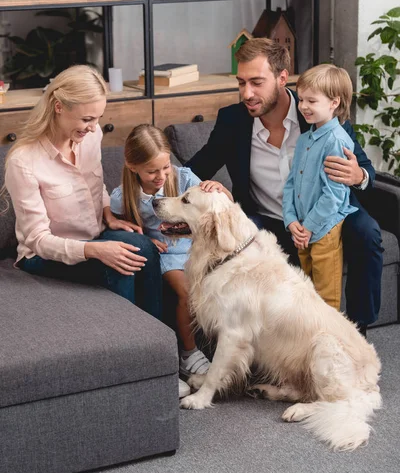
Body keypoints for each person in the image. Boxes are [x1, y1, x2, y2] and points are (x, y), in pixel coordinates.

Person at [186, 38, 383, 336]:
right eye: (241, 83)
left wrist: (358, 176)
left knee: (367, 233)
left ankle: (357, 330)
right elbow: (194, 170)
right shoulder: (233, 120)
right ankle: (248, 341)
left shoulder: (318, 113)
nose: (246, 93)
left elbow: (367, 172)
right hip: (267, 219)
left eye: (256, 82)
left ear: (282, 78)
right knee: (237, 241)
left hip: (328, 215)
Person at [2, 65, 162, 322]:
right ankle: (129, 346)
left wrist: (108, 215)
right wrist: (95, 251)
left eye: (97, 118)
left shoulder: (91, 136)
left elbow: (96, 185)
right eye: (87, 119)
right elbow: (38, 240)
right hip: (45, 254)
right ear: (59, 107)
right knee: (119, 265)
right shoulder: (24, 161)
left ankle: (162, 340)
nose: (93, 127)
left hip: (96, 235)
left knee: (142, 247)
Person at [109, 124, 232, 396]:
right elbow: (114, 223)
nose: (161, 176)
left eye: (165, 167)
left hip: (193, 247)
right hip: (166, 254)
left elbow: (222, 207)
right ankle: (188, 353)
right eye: (152, 171)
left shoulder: (183, 178)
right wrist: (143, 239)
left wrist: (221, 190)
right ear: (133, 166)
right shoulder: (124, 196)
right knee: (187, 290)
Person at [282, 64, 359, 310]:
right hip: (302, 230)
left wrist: (307, 227)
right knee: (308, 293)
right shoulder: (305, 139)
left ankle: (332, 342)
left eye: (311, 101)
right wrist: (291, 220)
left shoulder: (336, 141)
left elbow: (334, 196)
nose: (303, 106)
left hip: (323, 229)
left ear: (334, 102)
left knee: (326, 298)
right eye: (301, 99)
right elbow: (291, 183)